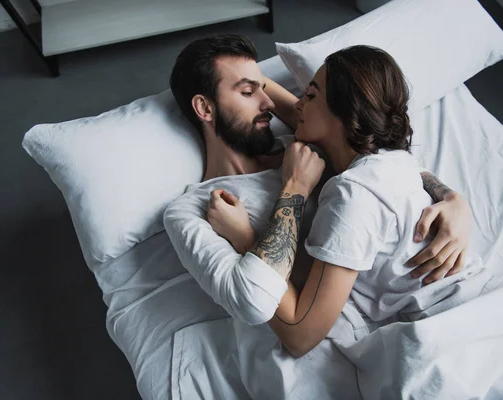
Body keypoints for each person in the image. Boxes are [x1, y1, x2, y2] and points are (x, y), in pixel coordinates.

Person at [164, 35, 472, 352]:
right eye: (247, 92)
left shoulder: (312, 148)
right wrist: (293, 188)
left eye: (263, 89)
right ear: (204, 107)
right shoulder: (192, 211)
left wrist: (451, 198)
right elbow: (255, 303)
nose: (270, 103)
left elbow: (362, 136)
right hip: (340, 323)